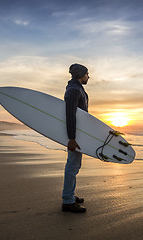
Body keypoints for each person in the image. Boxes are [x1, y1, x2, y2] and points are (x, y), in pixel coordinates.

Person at [62, 63, 90, 213]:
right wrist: (71, 138)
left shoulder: (77, 88)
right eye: (87, 73)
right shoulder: (73, 90)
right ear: (80, 75)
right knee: (72, 166)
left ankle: (70, 195)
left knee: (75, 166)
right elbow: (70, 114)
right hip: (75, 136)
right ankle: (67, 201)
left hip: (78, 134)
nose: (88, 76)